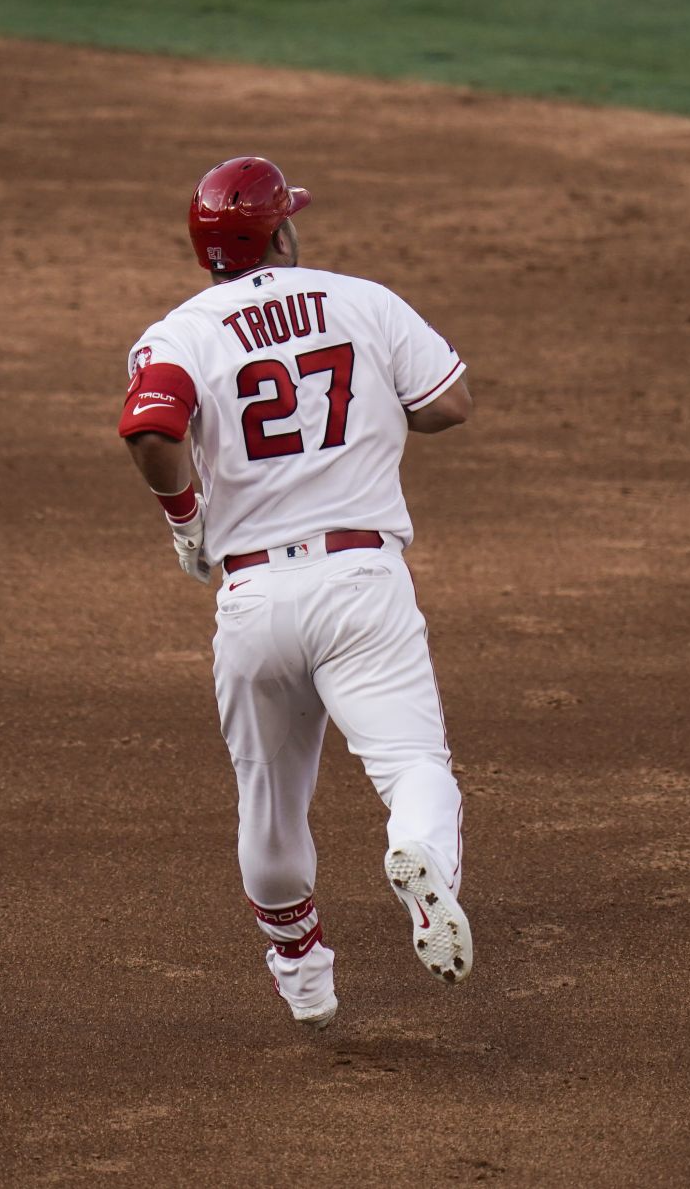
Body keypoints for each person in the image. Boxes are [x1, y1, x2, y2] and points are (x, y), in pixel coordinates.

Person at [117, 156, 475, 1030]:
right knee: (416, 768)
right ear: (281, 230)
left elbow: (150, 427)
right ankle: (414, 852)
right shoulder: (363, 299)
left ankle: (303, 974)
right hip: (361, 582)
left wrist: (185, 512)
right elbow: (449, 404)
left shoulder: (180, 331)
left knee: (268, 798)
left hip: (253, 598)